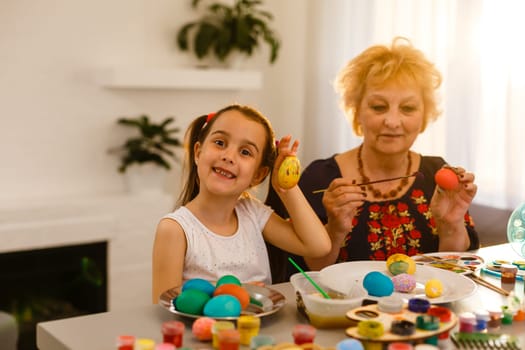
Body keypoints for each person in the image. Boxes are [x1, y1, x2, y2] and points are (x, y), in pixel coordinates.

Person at [265, 37, 479, 281]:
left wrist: (450, 223)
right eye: (379, 107)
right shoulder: (319, 178)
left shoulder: (438, 175)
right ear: (356, 111)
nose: (392, 121)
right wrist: (334, 231)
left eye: (407, 108)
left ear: (425, 115)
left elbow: (453, 277)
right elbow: (305, 275)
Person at [151, 104, 331, 303]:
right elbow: (163, 307)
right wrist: (234, 292)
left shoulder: (252, 214)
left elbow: (319, 246)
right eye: (220, 142)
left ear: (259, 175)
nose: (228, 156)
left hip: (257, 332)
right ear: (197, 152)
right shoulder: (175, 229)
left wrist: (287, 188)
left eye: (245, 152)